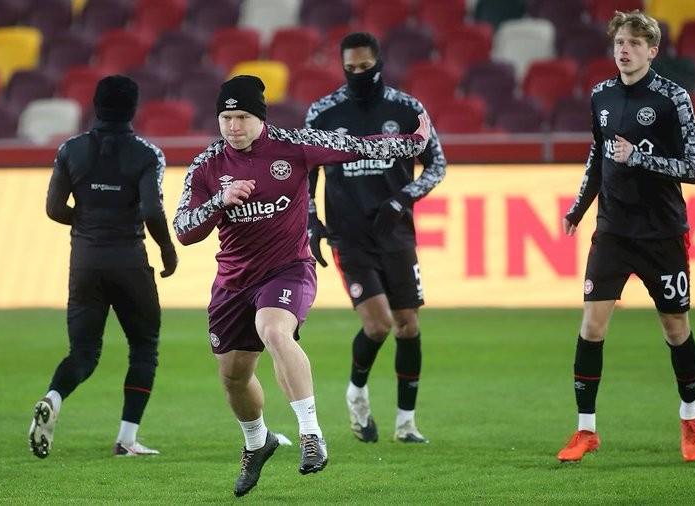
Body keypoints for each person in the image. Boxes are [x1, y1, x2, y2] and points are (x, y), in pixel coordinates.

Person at [174, 75, 431, 496]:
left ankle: (311, 434)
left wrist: (412, 142)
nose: (233, 127)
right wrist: (220, 200)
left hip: (288, 270)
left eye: (242, 117)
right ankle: (258, 442)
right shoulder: (206, 165)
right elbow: (183, 229)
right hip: (233, 283)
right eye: (226, 118)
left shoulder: (293, 145)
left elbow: (357, 146)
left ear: (260, 118)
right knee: (234, 377)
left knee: (274, 330)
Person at [557, 10, 695, 463]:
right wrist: (579, 208)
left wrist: (640, 157)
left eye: (635, 43)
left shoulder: (673, 98)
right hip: (613, 231)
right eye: (620, 42)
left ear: (652, 50)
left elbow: (693, 168)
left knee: (676, 329)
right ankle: (586, 430)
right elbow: (598, 156)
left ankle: (690, 417)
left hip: (662, 233)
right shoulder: (601, 94)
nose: (625, 50)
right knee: (591, 326)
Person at [305, 32, 446, 444]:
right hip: (349, 236)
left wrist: (402, 199)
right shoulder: (323, 113)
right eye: (350, 69)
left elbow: (436, 165)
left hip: (396, 233)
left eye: (365, 68)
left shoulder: (407, 109)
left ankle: (406, 423)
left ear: (379, 63)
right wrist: (311, 221)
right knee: (379, 324)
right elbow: (304, 173)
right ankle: (357, 394)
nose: (358, 74)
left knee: (407, 325)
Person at [29, 75, 179, 459]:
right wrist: (167, 249)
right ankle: (126, 440)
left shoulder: (70, 150)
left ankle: (53, 396)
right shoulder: (148, 154)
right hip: (129, 262)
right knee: (143, 347)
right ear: (134, 108)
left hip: (85, 263)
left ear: (95, 105)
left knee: (83, 353)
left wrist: (88, 221)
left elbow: (53, 209)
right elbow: (152, 210)